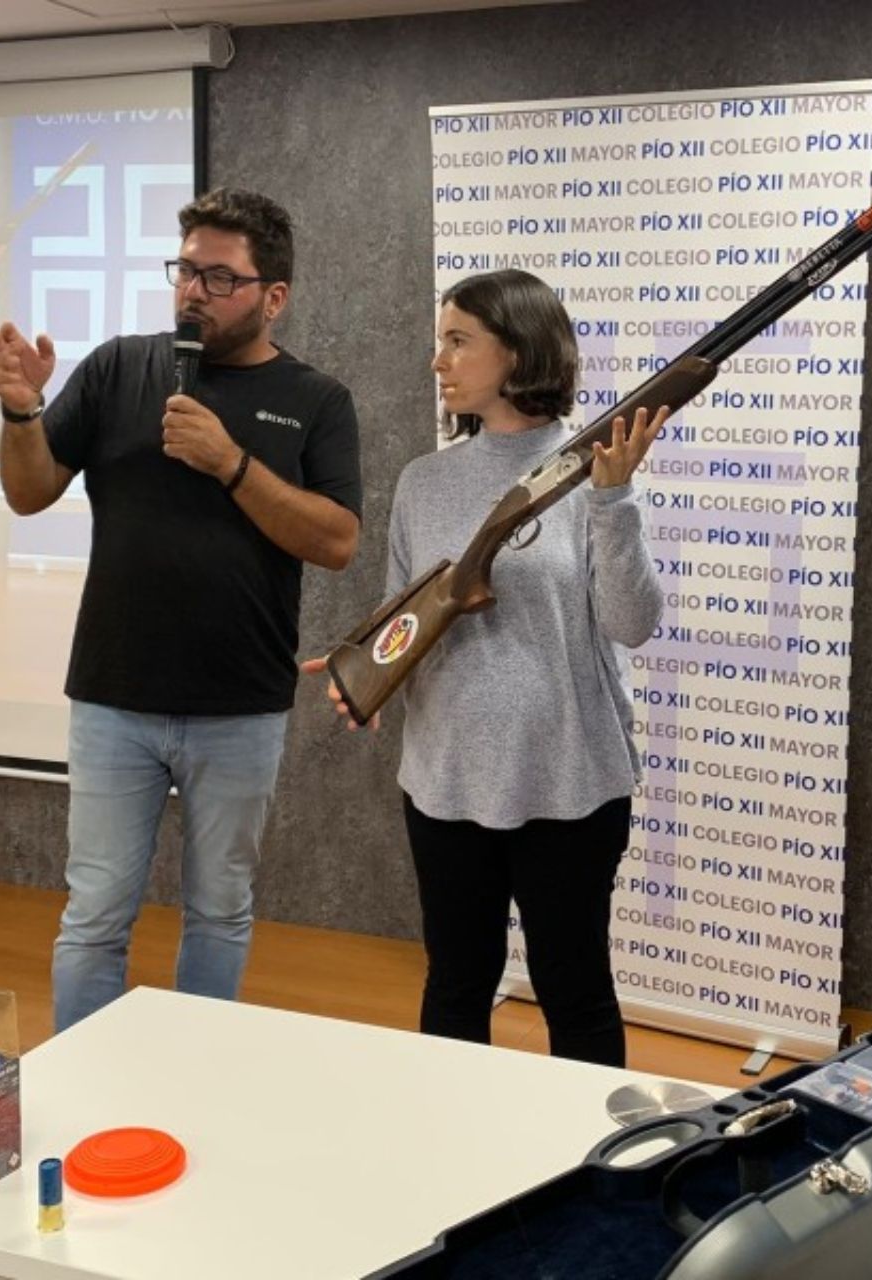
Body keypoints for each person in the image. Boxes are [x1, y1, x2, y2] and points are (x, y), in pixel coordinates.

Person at [0, 188, 362, 1032]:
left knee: (220, 911)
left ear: (274, 296)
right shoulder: (121, 367)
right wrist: (21, 411)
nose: (193, 291)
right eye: (185, 270)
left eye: (219, 277)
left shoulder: (315, 399)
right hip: (115, 698)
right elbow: (29, 491)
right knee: (93, 919)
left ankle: (196, 1079)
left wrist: (231, 464)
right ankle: (88, 1094)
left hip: (239, 706)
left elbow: (337, 540)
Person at [306, 269, 666, 1067]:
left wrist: (614, 501)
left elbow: (633, 624)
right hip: (446, 780)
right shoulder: (423, 481)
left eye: (458, 340)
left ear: (519, 349)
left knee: (575, 993)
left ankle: (587, 1171)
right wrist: (363, 670)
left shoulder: (588, 470)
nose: (439, 359)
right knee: (457, 983)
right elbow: (413, 616)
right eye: (442, 340)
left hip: (568, 780)